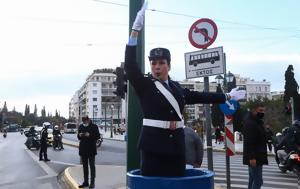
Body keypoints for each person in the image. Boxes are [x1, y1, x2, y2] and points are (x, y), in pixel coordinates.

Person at [124, 1, 246, 177]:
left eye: (161, 63)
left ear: (169, 65)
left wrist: (226, 96)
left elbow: (199, 96)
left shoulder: (176, 87)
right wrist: (134, 32)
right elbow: (130, 65)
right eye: (154, 63)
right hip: (153, 145)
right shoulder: (145, 85)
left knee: (177, 183)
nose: (157, 67)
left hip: (176, 145)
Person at [242, 102, 268, 189]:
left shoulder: (256, 121)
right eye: (260, 110)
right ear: (254, 110)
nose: (262, 112)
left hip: (257, 154)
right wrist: (252, 157)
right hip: (255, 156)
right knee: (258, 181)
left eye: (264, 111)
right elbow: (250, 141)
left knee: (253, 179)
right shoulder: (251, 123)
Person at [77, 116, 100, 189]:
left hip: (91, 149)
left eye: (85, 121)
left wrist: (89, 135)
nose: (84, 123)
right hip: (83, 149)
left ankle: (92, 183)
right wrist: (79, 135)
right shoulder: (81, 126)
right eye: (83, 121)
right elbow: (78, 137)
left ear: (88, 120)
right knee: (85, 166)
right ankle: (86, 182)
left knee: (92, 166)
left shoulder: (94, 126)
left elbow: (97, 136)